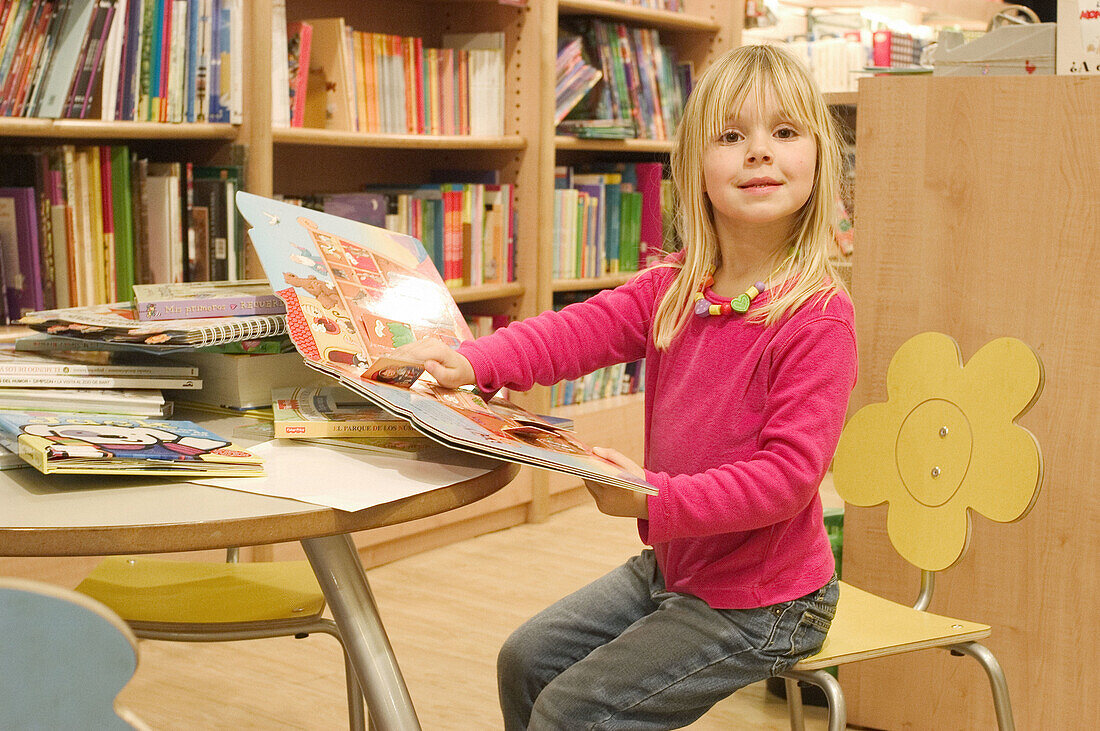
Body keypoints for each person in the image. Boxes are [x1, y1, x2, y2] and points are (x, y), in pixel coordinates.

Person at [393, 43, 857, 730]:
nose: (759, 152)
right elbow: (574, 332)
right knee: (525, 659)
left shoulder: (817, 316)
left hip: (768, 600)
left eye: (784, 132)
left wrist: (654, 494)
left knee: (573, 711)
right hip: (678, 570)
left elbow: (786, 478)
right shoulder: (674, 287)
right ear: (696, 167)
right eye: (731, 136)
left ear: (819, 161)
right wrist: (475, 360)